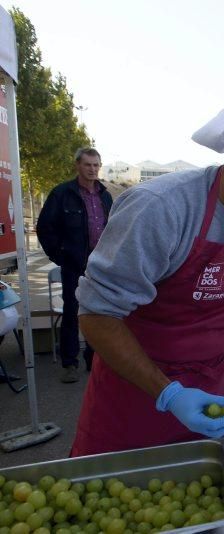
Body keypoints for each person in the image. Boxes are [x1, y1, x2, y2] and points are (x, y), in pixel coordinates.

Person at [71, 75, 224, 456]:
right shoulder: (162, 209)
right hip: (132, 399)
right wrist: (169, 394)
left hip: (213, 400)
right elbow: (97, 314)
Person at [37, 147, 113, 383]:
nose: (92, 169)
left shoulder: (105, 196)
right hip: (74, 265)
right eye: (88, 164)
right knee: (73, 312)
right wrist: (61, 256)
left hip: (101, 267)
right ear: (77, 166)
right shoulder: (62, 194)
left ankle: (94, 361)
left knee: (99, 314)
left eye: (96, 165)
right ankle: (69, 363)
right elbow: (45, 228)